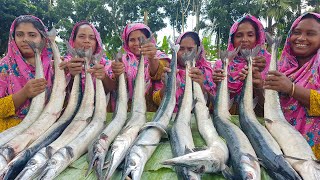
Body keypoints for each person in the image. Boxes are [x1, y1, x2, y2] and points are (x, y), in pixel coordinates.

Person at [264, 12, 320, 159]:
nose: (301, 38)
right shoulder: (282, 68)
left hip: (313, 153)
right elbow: (268, 111)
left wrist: (291, 89)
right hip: (280, 149)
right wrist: (259, 85)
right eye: (296, 32)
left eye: (311, 33)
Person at [0, 15, 53, 132]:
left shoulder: (54, 67)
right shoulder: (3, 67)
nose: (25, 39)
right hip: (9, 133)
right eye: (19, 34)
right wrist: (24, 93)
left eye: (32, 35)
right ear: (13, 38)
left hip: (45, 131)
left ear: (43, 39)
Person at [212, 14, 271, 115]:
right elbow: (212, 103)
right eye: (239, 35)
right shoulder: (221, 64)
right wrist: (218, 84)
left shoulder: (267, 63)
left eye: (250, 35)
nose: (244, 40)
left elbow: (272, 104)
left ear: (257, 38)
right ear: (232, 39)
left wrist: (258, 84)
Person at [106, 22, 170, 111]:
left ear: (149, 40)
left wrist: (151, 58)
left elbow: (160, 74)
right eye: (132, 40)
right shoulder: (122, 60)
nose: (137, 43)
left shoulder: (160, 56)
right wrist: (117, 73)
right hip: (126, 111)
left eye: (141, 39)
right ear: (127, 42)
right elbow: (114, 85)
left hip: (153, 111)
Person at [152, 31, 215, 111]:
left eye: (190, 49)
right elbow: (156, 101)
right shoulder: (169, 69)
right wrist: (166, 86)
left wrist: (201, 87)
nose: (185, 53)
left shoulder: (208, 72)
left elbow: (215, 105)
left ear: (198, 50)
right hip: (172, 119)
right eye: (181, 49)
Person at [59, 21, 113, 94]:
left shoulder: (105, 64)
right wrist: (70, 75)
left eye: (92, 38)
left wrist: (104, 77)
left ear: (97, 42)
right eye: (81, 36)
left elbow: (112, 88)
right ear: (73, 41)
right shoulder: (65, 63)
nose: (87, 41)